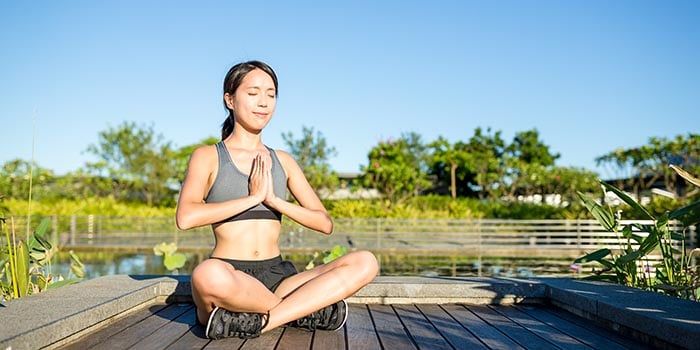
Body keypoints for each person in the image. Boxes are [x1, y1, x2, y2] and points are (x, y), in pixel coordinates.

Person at [175, 60, 379, 339]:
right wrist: (252, 198)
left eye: (271, 94)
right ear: (230, 99)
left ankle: (262, 321)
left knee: (365, 261)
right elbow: (186, 217)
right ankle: (302, 310)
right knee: (206, 274)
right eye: (253, 93)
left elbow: (324, 223)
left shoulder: (283, 160)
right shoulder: (208, 156)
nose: (263, 102)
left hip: (280, 278)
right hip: (232, 277)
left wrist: (273, 200)